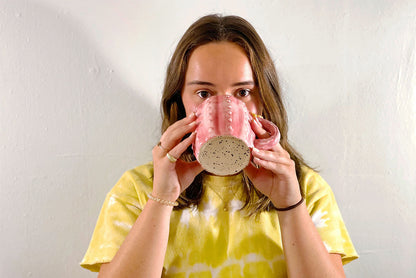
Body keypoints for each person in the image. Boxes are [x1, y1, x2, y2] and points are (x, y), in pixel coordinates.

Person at [81, 14, 358, 277]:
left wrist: (290, 206)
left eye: (243, 92)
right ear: (180, 100)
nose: (226, 108)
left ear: (264, 100)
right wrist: (162, 199)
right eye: (204, 93)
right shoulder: (138, 189)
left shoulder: (305, 189)